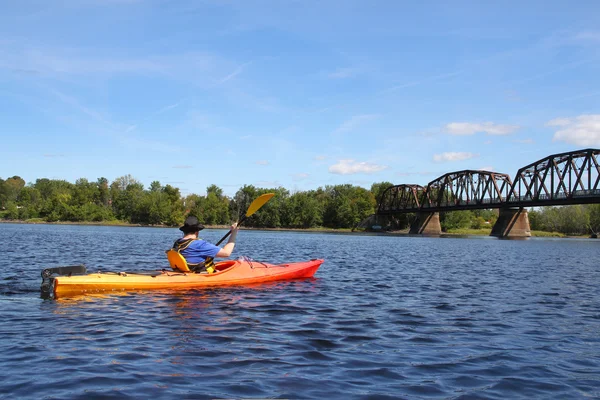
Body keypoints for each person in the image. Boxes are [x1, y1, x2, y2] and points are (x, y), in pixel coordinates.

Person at [171, 215, 239, 273]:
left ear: (184, 231)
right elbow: (227, 253)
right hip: (198, 276)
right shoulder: (200, 245)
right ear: (197, 232)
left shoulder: (177, 243)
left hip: (184, 272)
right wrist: (234, 233)